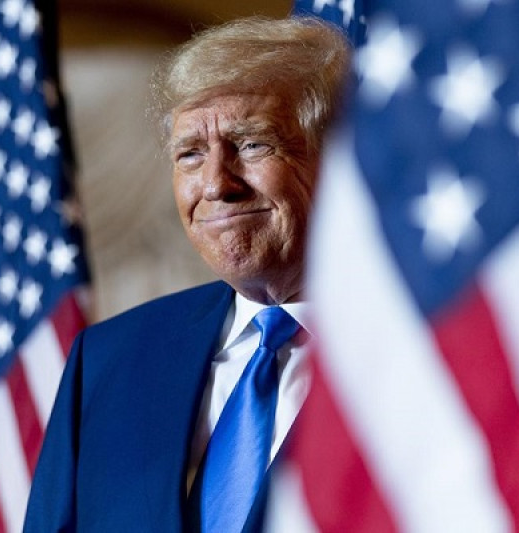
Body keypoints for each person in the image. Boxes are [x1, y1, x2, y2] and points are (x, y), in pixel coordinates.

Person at [24, 16, 350, 532]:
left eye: (252, 144)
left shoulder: (426, 353)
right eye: (190, 154)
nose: (216, 185)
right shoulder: (108, 361)